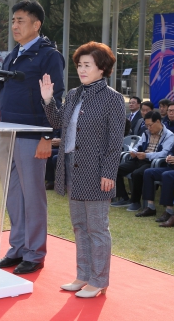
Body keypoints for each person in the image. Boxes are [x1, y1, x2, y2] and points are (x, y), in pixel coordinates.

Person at [0, 0, 65, 275]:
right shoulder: (13, 55)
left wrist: (47, 135)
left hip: (32, 135)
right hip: (7, 132)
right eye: (13, 20)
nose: (15, 25)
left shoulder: (48, 55)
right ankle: (17, 248)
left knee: (33, 196)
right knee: (14, 195)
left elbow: (55, 97)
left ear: (36, 24)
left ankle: (35, 252)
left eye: (20, 20)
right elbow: (0, 93)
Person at [40, 41, 125, 298]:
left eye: (87, 65)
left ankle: (99, 281)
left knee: (97, 227)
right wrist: (47, 99)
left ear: (102, 68)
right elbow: (58, 122)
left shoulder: (113, 98)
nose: (82, 69)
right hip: (71, 167)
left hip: (97, 170)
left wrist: (109, 172)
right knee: (79, 225)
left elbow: (115, 140)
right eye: (79, 65)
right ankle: (83, 275)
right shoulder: (75, 94)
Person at [112, 111, 174, 210]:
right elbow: (138, 146)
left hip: (153, 162)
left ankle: (135, 202)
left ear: (158, 121)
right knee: (116, 170)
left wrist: (147, 155)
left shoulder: (169, 135)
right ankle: (124, 197)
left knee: (137, 174)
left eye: (150, 125)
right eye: (146, 125)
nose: (148, 128)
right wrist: (134, 151)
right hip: (140, 158)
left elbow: (165, 153)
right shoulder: (146, 133)